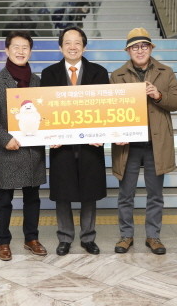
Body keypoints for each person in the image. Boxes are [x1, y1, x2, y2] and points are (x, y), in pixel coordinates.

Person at [110, 28, 177, 255]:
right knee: (126, 195)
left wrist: (158, 95)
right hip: (128, 146)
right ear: (128, 51)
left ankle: (153, 236)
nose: (139, 50)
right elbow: (110, 110)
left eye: (144, 46)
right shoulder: (117, 75)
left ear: (151, 48)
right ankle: (126, 235)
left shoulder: (166, 72)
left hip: (155, 145)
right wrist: (116, 134)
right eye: (135, 47)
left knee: (155, 195)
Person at [40, 26, 109, 256]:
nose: (72, 47)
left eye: (77, 42)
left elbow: (106, 108)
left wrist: (103, 135)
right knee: (63, 192)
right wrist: (49, 135)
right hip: (61, 144)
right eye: (67, 43)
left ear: (84, 47)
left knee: (90, 191)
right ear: (60, 47)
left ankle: (88, 237)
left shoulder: (99, 72)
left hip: (91, 143)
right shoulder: (49, 74)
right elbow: (45, 109)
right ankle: (65, 237)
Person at [0, 31, 48, 261]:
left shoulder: (37, 82)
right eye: (16, 47)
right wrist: (5, 138)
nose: (20, 51)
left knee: (33, 198)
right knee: (5, 199)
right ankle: (3, 241)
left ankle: (31, 238)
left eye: (25, 47)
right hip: (8, 149)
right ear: (7, 50)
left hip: (32, 150)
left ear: (31, 51)